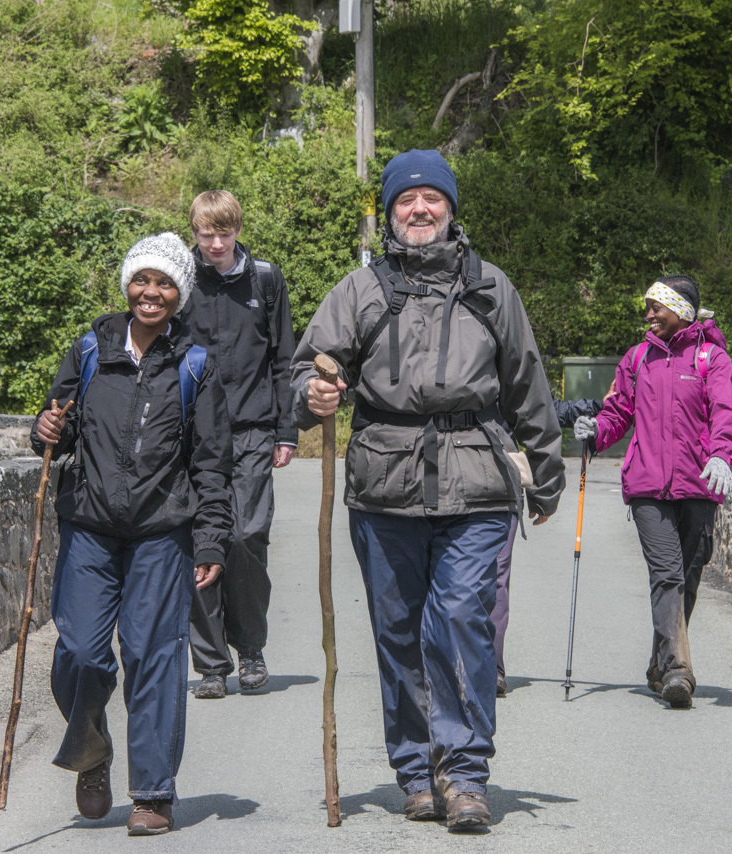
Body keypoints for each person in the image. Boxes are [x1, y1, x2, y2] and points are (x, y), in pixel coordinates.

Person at [293, 149, 565, 830]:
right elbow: (303, 371)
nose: (420, 209)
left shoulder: (491, 288)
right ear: (390, 213)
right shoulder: (359, 291)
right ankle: (416, 770)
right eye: (405, 200)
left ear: (450, 208)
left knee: (463, 623)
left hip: (475, 478)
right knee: (398, 632)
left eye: (431, 199)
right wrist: (314, 394)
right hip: (384, 486)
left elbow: (528, 381)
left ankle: (465, 773)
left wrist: (547, 469)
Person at [30, 233, 234, 835]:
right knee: (80, 653)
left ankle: (152, 792)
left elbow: (211, 462)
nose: (152, 293)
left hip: (161, 533)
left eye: (165, 283)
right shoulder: (90, 350)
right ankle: (92, 754)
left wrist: (212, 539)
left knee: (153, 656)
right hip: (90, 528)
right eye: (143, 280)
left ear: (180, 294)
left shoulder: (195, 364)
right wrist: (43, 429)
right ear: (127, 284)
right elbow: (56, 431)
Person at [573, 275, 732, 710]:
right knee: (666, 573)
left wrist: (723, 455)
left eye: (657, 307)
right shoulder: (636, 359)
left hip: (699, 484)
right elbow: (619, 412)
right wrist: (596, 430)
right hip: (648, 484)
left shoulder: (711, 359)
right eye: (647, 306)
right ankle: (678, 673)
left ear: (682, 310)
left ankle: (659, 662)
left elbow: (725, 413)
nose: (648, 314)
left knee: (687, 576)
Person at [182, 190, 298, 700]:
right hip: (190, 434)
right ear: (195, 232)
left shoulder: (265, 280)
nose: (214, 244)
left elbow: (283, 358)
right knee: (201, 542)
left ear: (237, 230)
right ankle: (210, 664)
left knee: (248, 537)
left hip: (253, 430)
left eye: (223, 234)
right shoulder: (180, 281)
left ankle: (250, 649)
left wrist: (287, 430)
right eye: (206, 234)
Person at [492, 395, 605, 698]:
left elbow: (538, 410)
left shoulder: (498, 350)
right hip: (470, 480)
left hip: (497, 483)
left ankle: (488, 668)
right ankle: (477, 668)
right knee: (490, 579)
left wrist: (596, 406)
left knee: (494, 578)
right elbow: (536, 410)